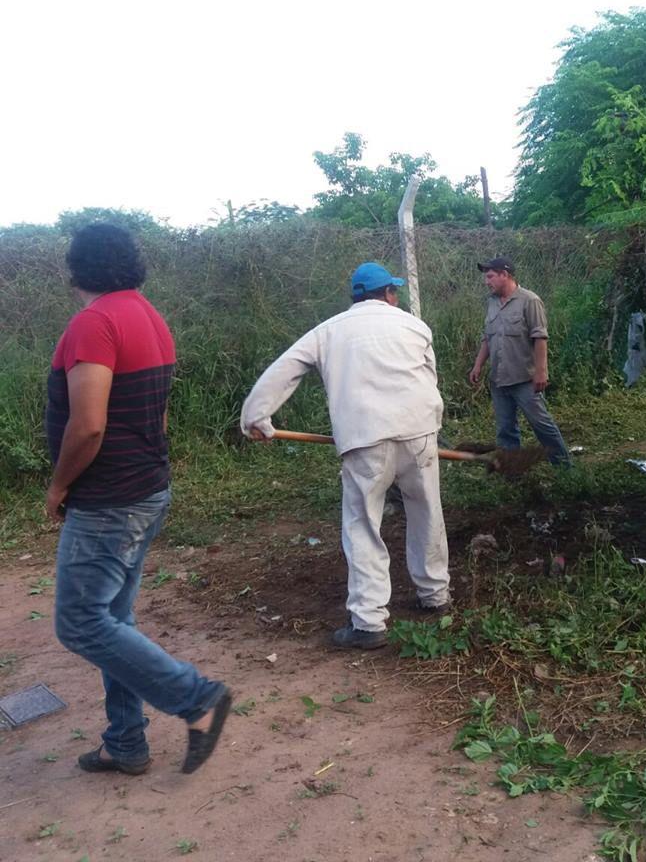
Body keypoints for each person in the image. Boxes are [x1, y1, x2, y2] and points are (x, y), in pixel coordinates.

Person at [48, 223, 231, 777]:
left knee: (80, 622)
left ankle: (196, 697)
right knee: (114, 618)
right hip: (146, 486)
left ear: (76, 267)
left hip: (110, 498)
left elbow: (88, 426)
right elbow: (159, 410)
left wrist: (58, 486)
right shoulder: (147, 315)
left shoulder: (94, 323)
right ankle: (125, 742)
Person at [240, 262, 450, 650]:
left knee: (363, 524)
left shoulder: (329, 330)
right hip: (419, 432)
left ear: (355, 296)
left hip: (365, 438)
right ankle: (435, 594)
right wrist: (428, 421)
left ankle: (369, 623)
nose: (397, 296)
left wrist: (256, 417)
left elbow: (286, 367)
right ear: (388, 293)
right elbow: (428, 376)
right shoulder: (414, 326)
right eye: (394, 291)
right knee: (426, 512)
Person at [469, 257, 569, 465]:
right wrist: (478, 365)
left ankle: (564, 467)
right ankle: (512, 471)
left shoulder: (530, 301)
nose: (486, 282)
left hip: (524, 378)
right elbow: (487, 337)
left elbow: (540, 337)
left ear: (505, 275)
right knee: (505, 430)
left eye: (490, 277)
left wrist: (541, 372)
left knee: (541, 424)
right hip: (499, 379)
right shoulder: (492, 303)